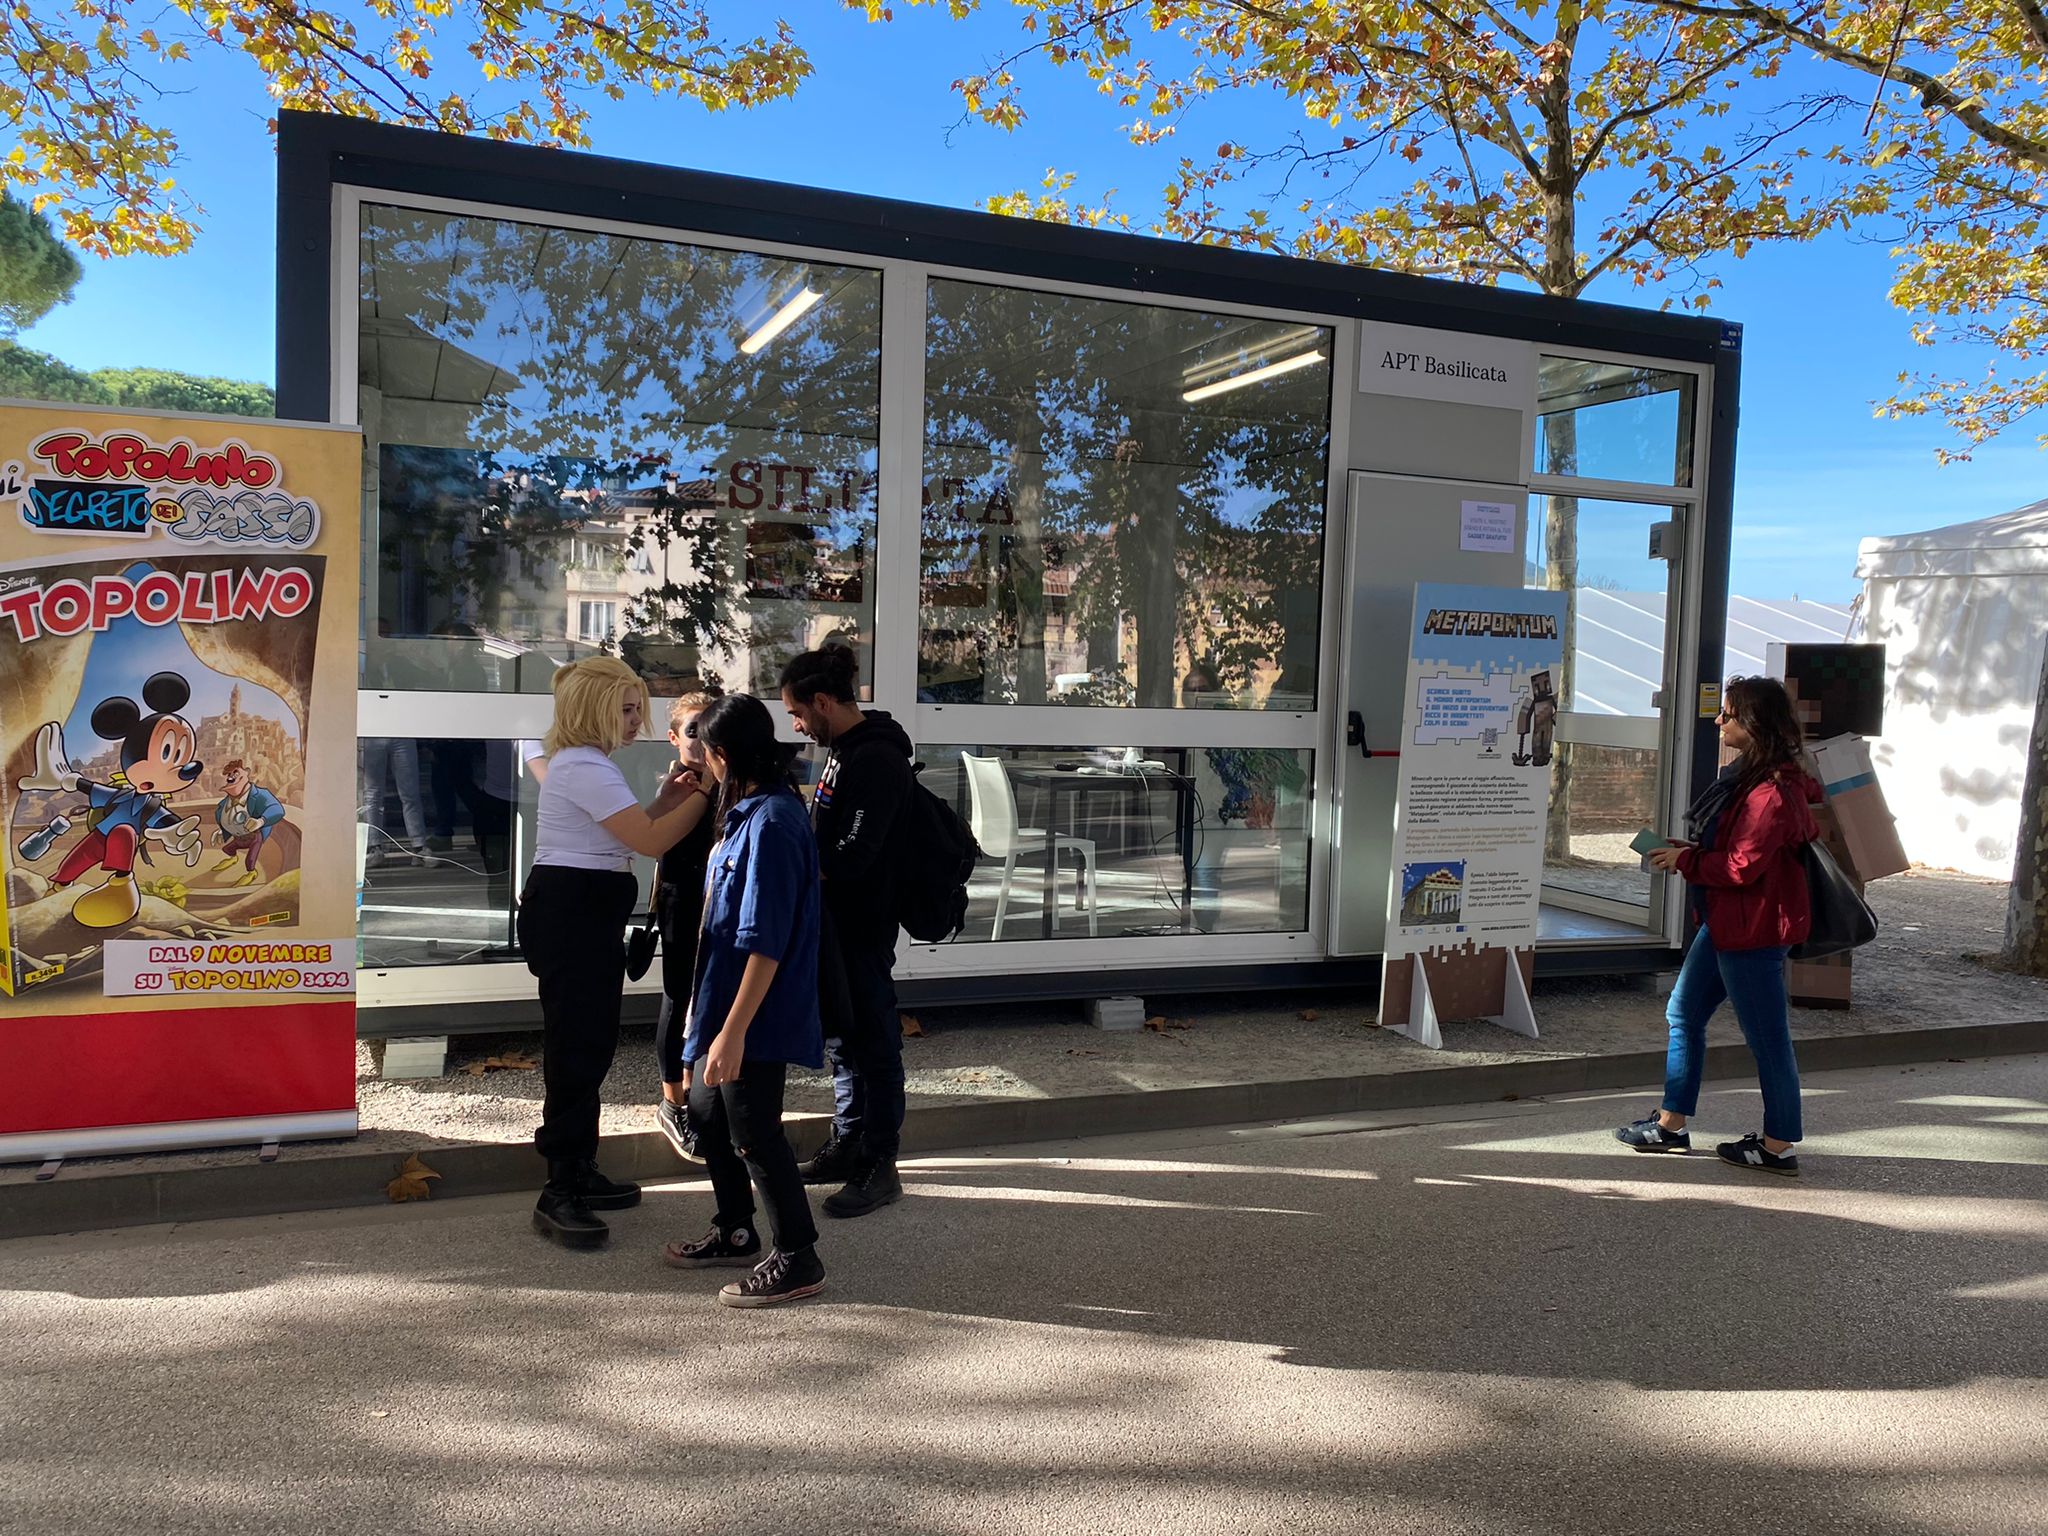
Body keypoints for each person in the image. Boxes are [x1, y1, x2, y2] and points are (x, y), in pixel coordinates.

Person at [520, 656, 711, 1248]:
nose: (636, 721)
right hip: (573, 914)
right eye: (626, 710)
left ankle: (579, 1166)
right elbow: (651, 842)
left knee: (590, 1042)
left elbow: (625, 827)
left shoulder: (586, 766)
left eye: (637, 708)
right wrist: (705, 790)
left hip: (580, 911)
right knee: (577, 1047)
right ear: (594, 710)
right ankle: (561, 1187)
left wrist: (664, 800)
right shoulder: (585, 766)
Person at [660, 693, 827, 1308]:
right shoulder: (746, 811)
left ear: (724, 756)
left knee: (755, 1130)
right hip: (720, 1006)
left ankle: (797, 1255)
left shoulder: (776, 822)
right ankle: (735, 1228)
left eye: (706, 756)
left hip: (754, 1011)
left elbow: (766, 940)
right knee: (706, 1114)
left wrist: (732, 1033)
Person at [1616, 675, 1820, 1176]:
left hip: (1753, 929)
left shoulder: (1770, 791)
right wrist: (1690, 850)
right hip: (1729, 921)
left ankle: (1777, 1147)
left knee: (1768, 1039)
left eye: (1727, 714)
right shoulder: (1752, 778)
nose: (1718, 720)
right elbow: (1737, 854)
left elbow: (1741, 868)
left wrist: (1687, 864)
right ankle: (1671, 1124)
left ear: (1753, 722)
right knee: (1683, 1013)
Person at [780, 644, 913, 1219]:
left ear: (824, 702)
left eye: (798, 713)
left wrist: (803, 866)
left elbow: (855, 853)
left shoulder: (877, 758)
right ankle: (848, 1141)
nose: (796, 725)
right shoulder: (842, 750)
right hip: (834, 917)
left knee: (875, 1040)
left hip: (863, 919)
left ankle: (879, 1162)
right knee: (843, 1034)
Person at [653, 691, 721, 1160]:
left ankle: (706, 1096)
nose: (701, 740)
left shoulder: (728, 780)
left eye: (709, 728)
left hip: (720, 900)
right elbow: (657, 837)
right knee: (679, 995)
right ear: (674, 737)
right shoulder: (676, 785)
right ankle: (672, 1100)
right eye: (692, 730)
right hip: (681, 898)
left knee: (714, 994)